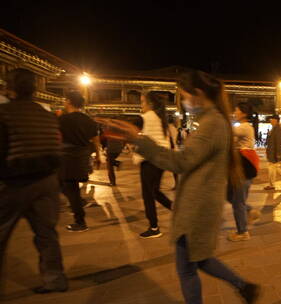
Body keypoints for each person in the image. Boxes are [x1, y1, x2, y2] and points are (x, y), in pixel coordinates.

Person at [98, 70, 260, 304]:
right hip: (199, 205)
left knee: (188, 268)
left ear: (198, 94)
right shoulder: (213, 121)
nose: (183, 102)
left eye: (183, 95)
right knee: (197, 261)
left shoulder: (212, 123)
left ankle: (243, 286)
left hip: (197, 208)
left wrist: (138, 139)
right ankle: (244, 286)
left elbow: (180, 162)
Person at [0, 68, 68, 294]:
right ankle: (55, 279)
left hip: (15, 183)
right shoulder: (47, 114)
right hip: (48, 181)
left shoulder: (4, 113)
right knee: (47, 234)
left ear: (9, 88)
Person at [58, 91, 101, 232]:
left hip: (68, 157)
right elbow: (95, 139)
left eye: (65, 100)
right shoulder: (88, 120)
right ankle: (78, 207)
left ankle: (80, 221)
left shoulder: (63, 119)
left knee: (69, 187)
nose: (64, 103)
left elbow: (56, 137)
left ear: (69, 101)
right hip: (82, 156)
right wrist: (99, 156)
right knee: (71, 187)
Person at [133, 92, 173, 238]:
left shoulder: (146, 117)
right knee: (155, 191)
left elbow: (130, 125)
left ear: (150, 104)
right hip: (161, 160)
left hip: (150, 160)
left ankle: (154, 227)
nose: (141, 105)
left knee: (148, 194)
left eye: (142, 102)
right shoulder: (160, 119)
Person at [227, 102, 261, 241]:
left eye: (236, 110)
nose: (235, 112)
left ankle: (242, 232)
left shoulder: (245, 127)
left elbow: (226, 132)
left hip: (243, 167)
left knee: (237, 201)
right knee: (228, 195)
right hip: (238, 168)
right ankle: (249, 210)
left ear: (244, 113)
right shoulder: (242, 127)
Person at [264, 114, 281, 191]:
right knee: (274, 167)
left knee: (271, 168)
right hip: (272, 152)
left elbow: (279, 143)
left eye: (271, 119)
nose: (270, 120)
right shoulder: (274, 128)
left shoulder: (278, 129)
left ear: (275, 120)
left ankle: (272, 185)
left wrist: (279, 154)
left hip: (274, 153)